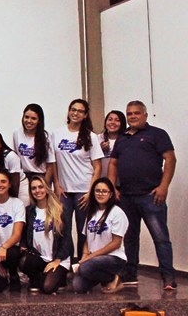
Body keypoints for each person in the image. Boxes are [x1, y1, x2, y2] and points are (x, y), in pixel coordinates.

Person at [108, 100, 177, 289]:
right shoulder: (122, 138)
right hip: (126, 197)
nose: (132, 116)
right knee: (129, 237)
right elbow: (113, 163)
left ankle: (168, 277)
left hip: (151, 196)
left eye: (136, 113)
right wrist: (113, 188)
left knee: (160, 237)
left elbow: (170, 159)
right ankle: (130, 273)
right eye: (129, 114)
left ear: (145, 115)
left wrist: (164, 186)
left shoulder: (157, 134)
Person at [53, 98, 102, 263]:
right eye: (73, 109)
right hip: (64, 191)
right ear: (68, 111)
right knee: (64, 230)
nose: (76, 113)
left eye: (80, 111)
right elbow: (53, 163)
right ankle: (66, 265)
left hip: (84, 190)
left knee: (83, 230)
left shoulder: (91, 137)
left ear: (85, 115)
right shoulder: (56, 134)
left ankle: (83, 264)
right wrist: (57, 185)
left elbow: (97, 167)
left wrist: (91, 192)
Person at [72, 178, 129, 294]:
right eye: (97, 191)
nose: (100, 194)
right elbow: (87, 240)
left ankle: (115, 277)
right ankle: (108, 279)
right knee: (77, 286)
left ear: (111, 194)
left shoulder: (117, 213)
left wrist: (90, 257)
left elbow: (116, 243)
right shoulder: (91, 212)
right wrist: (84, 256)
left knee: (85, 268)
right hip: (94, 260)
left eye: (104, 191)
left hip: (114, 258)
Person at [18, 175, 69, 295]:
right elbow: (25, 235)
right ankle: (37, 279)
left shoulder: (60, 210)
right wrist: (23, 246)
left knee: (48, 288)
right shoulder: (29, 211)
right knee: (23, 262)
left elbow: (67, 239)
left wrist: (57, 260)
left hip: (58, 259)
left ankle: (58, 279)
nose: (37, 191)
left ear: (46, 189)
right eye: (34, 188)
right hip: (40, 257)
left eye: (40, 187)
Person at [12, 103, 56, 204]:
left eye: (33, 118)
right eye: (26, 117)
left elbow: (50, 165)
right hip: (23, 177)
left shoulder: (46, 137)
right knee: (26, 207)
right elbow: (16, 157)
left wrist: (44, 185)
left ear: (39, 120)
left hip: (41, 177)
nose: (29, 121)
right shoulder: (16, 133)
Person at [99, 109, 127, 179]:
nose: (112, 122)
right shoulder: (98, 138)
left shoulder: (126, 139)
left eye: (117, 120)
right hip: (101, 182)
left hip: (120, 182)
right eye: (110, 119)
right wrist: (100, 150)